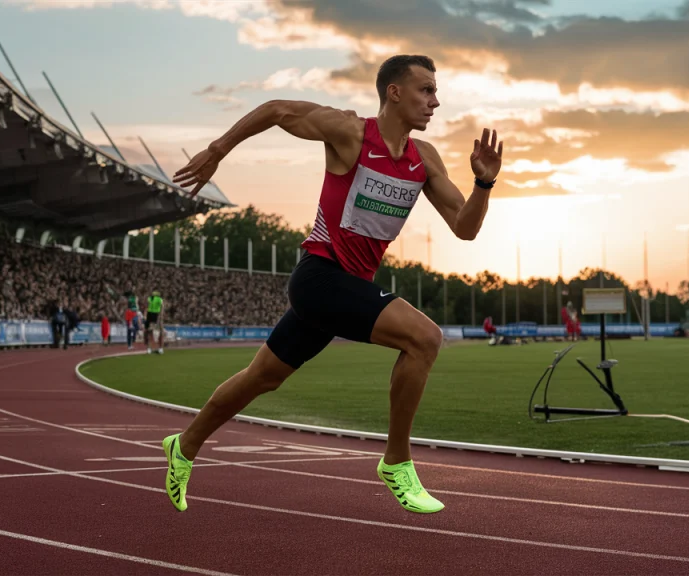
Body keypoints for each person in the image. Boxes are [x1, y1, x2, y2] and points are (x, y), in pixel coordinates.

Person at [165, 54, 503, 515]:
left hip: (345, 289)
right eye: (426, 90)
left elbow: (464, 227)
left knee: (261, 378)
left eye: (436, 92)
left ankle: (183, 446)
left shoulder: (424, 160)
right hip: (320, 278)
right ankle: (397, 462)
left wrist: (484, 184)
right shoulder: (349, 133)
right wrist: (218, 150)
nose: (435, 102)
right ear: (394, 92)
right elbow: (277, 109)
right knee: (425, 338)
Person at [144, 290, 165, 354]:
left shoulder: (157, 299)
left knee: (156, 332)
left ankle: (158, 348)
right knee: (151, 332)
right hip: (152, 315)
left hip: (155, 315)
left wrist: (161, 315)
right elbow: (147, 307)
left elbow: (162, 307)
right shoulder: (151, 299)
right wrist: (145, 315)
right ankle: (151, 348)